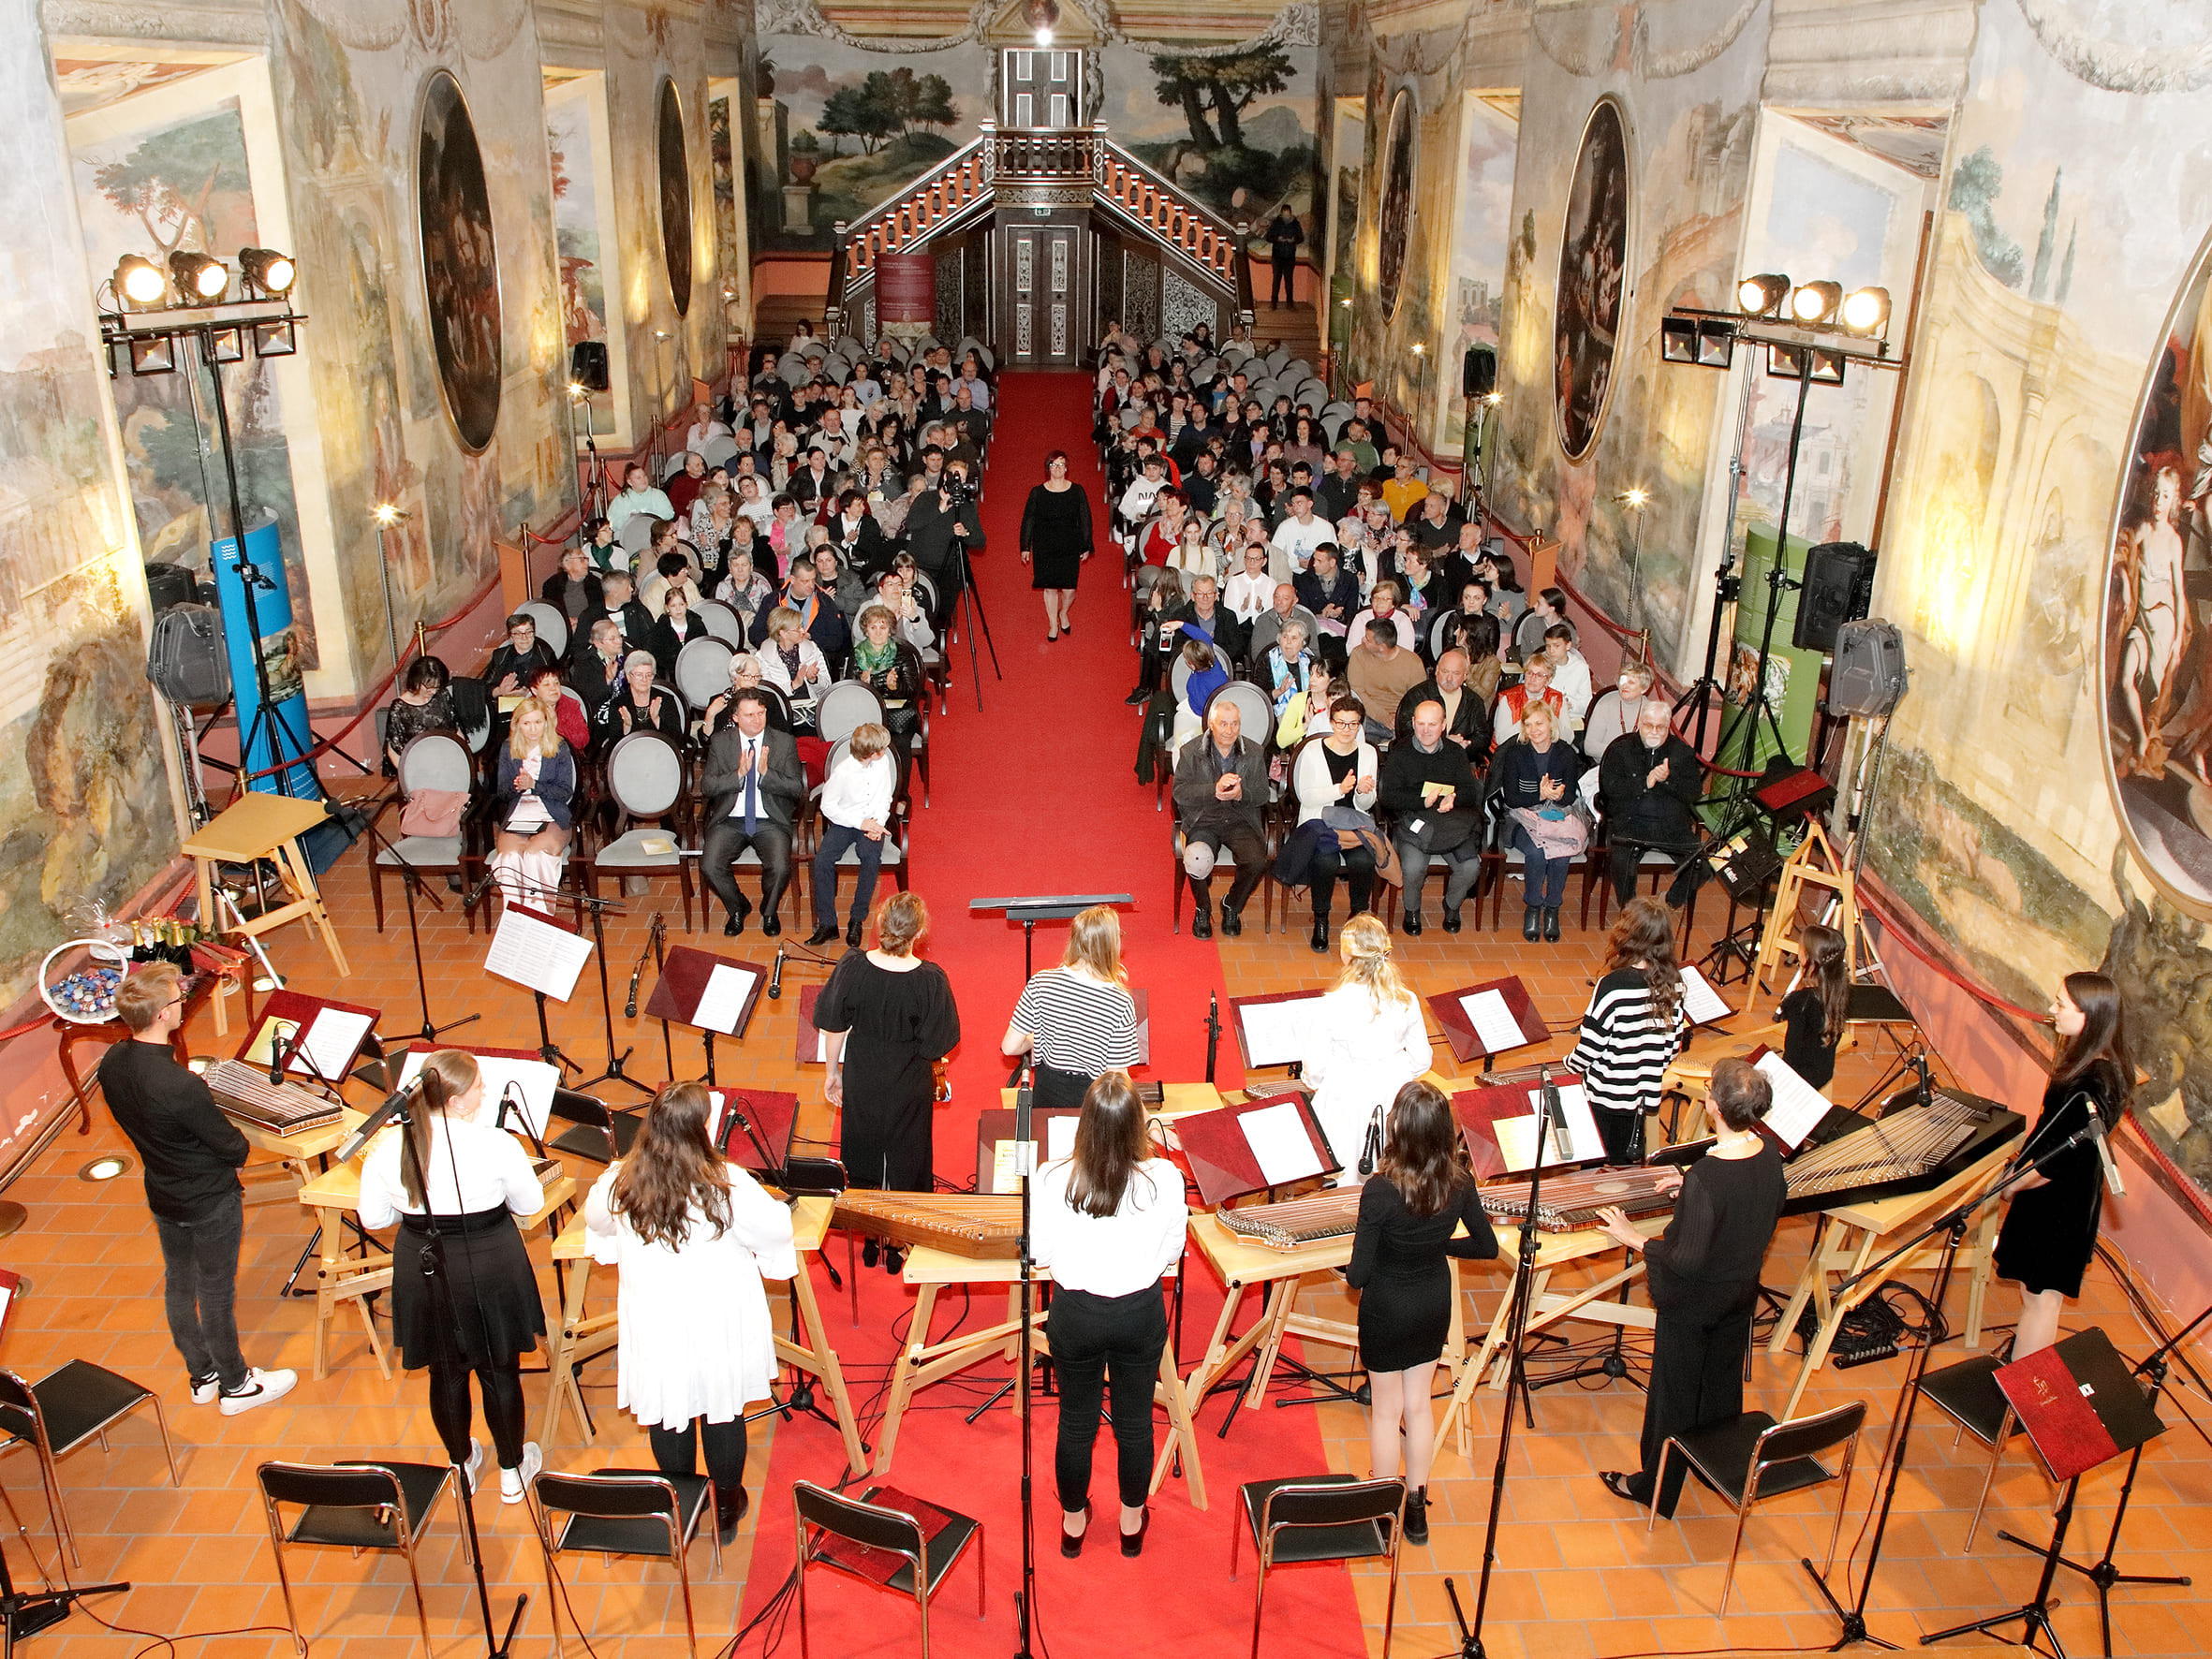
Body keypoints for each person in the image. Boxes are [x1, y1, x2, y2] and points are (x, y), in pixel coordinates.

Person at [584, 1083, 795, 1544]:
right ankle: (725, 1510)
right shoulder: (726, 1183)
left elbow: (595, 1219)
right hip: (715, 1323)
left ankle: (682, 1506)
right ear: (701, 1129)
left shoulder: (623, 1179)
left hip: (656, 1323)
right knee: (722, 1412)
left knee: (669, 1412)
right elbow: (776, 1231)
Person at [100, 963, 297, 1414]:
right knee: (215, 1292)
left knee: (178, 1282)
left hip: (163, 1190)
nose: (183, 1003)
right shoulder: (179, 1085)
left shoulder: (112, 1062)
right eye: (178, 998)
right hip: (209, 1199)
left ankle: (202, 1374)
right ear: (161, 1014)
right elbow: (233, 1148)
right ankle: (237, 1385)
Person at [1595, 1058, 1786, 1517]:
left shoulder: (1708, 1176)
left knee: (1673, 1396)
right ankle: (1714, 1467)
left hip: (1696, 1304)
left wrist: (1633, 1238)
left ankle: (1655, 1488)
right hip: (1740, 1293)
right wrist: (1690, 1190)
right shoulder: (1768, 1153)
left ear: (1714, 1107)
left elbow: (1685, 1259)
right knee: (1720, 1386)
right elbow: (1752, 1203)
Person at [358, 1049, 547, 1501]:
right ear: (457, 1101)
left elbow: (374, 1219)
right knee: (499, 1369)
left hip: (423, 1265)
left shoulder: (389, 1147)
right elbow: (531, 1205)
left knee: (445, 1371)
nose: (485, 1091)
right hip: (490, 1262)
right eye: (479, 1085)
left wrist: (415, 1212)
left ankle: (461, 1465)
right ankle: (511, 1471)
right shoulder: (496, 1145)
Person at [1036, 1071, 1188, 1560]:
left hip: (1076, 1315)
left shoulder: (1053, 1177)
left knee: (1075, 1422)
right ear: (1136, 1127)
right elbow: (1173, 1253)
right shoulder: (1166, 1179)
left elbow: (1039, 1254)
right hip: (1138, 1314)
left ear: (1085, 1124)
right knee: (1135, 1423)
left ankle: (1073, 1524)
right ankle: (1130, 1523)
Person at [1349, 1079, 1498, 1543]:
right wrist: (1439, 1246)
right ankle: (1416, 1511)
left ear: (1398, 1128)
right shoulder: (1460, 1183)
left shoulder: (1379, 1191)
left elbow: (1357, 1276)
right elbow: (1487, 1247)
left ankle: (1381, 1513)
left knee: (1385, 1411)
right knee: (1418, 1406)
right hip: (1432, 1302)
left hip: (1387, 1309)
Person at [815, 893, 961, 1265]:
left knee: (862, 1150)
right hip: (908, 1080)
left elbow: (834, 1025)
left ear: (881, 925)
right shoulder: (930, 980)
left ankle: (869, 1233)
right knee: (907, 1156)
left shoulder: (852, 966)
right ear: (919, 933)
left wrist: (832, 1074)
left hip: (863, 1074)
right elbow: (937, 1043)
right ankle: (898, 1242)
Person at [1993, 972, 2132, 1358]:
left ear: (2089, 1015)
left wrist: (2012, 1184)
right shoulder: (2096, 1061)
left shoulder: (2094, 1082)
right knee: (2035, 1292)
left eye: (2061, 1005)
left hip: (2058, 1202)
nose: (2051, 1010)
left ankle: (2026, 1381)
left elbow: (2059, 1158)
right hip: (2056, 1196)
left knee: (2042, 1298)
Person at [1302, 915, 1432, 1180]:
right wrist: (1391, 1070)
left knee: (1344, 1177)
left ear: (1347, 955)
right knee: (1392, 1176)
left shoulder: (1331, 1004)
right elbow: (1422, 1060)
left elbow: (1314, 1072)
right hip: (1394, 1098)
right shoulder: (1407, 1000)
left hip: (1345, 1098)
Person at [1567, 897, 1689, 1164]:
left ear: (1627, 936)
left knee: (1595, 1167)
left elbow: (1590, 1048)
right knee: (1623, 1164)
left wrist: (1568, 1066)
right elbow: (1672, 1046)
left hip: (1604, 1098)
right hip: (1641, 1099)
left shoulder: (1612, 986)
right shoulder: (1675, 983)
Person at [1004, 905, 1143, 1110]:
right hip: (1090, 1109)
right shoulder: (1120, 1002)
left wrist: (1035, 1039)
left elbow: (1009, 1047)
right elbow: (1117, 1079)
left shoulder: (1041, 983)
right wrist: (1147, 1120)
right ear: (1110, 945)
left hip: (1045, 1100)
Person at [700, 688, 804, 935]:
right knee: (710, 865)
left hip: (770, 819)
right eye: (749, 715)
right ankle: (738, 907)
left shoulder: (783, 742)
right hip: (730, 819)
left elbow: (796, 789)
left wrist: (766, 774)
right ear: (735, 717)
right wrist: (738, 774)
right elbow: (707, 786)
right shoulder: (721, 742)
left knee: (780, 867)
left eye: (761, 713)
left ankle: (769, 912)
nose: (757, 720)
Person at [1380, 699, 1484, 934]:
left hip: (1451, 822)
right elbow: (1388, 796)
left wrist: (1454, 798)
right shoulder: (1400, 753)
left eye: (1432, 724)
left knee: (1471, 866)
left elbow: (1472, 791)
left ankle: (1452, 905)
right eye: (1421, 724)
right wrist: (1422, 802)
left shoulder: (1455, 752)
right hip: (1414, 821)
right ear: (1413, 723)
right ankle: (1412, 910)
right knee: (1413, 867)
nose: (1426, 730)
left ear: (1443, 725)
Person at [1173, 697, 1269, 939]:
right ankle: (1203, 909)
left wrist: (1242, 794)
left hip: (1240, 819)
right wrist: (1212, 791)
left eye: (1234, 724)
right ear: (1211, 725)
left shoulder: (1254, 752)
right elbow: (1180, 793)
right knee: (1196, 858)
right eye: (1223, 724)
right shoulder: (1191, 752)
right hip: (1204, 818)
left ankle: (1231, 905)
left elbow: (1263, 794)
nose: (1229, 730)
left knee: (1257, 860)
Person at [1293, 695, 1381, 949]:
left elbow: (1366, 805)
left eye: (1353, 724)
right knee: (1325, 862)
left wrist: (1363, 792)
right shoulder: (1312, 751)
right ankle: (1321, 918)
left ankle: (1357, 920)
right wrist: (1340, 789)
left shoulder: (1368, 753)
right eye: (1341, 723)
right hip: (1319, 822)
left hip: (1353, 823)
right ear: (1331, 722)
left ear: (1360, 725)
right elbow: (1306, 797)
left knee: (1364, 861)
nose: (1347, 730)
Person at [1598, 698, 1704, 907]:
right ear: (1640, 723)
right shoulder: (1621, 750)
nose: (1654, 731)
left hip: (1671, 826)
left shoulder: (1681, 752)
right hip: (1631, 824)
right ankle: (1631, 912)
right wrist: (1645, 782)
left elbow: (1693, 793)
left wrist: (1668, 780)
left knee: (1701, 865)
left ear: (1668, 727)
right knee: (1621, 865)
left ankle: (1668, 904)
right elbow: (1611, 790)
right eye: (1649, 725)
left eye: (1660, 727)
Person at [1493, 700, 1580, 941]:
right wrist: (1540, 795)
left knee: (1561, 852)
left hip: (1556, 816)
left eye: (1539, 723)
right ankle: (1532, 907)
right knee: (1537, 852)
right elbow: (1511, 798)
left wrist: (1558, 796)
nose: (1534, 730)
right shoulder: (1515, 754)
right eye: (1528, 724)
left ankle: (1552, 908)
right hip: (1522, 818)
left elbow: (1571, 796)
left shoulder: (1566, 753)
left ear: (1551, 723)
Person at [808, 723, 899, 947]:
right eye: (882, 749)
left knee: (870, 857)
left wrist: (877, 824)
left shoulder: (883, 762)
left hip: (872, 821)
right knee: (823, 860)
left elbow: (885, 797)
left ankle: (857, 919)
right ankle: (827, 923)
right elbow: (827, 807)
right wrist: (859, 823)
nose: (885, 751)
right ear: (871, 753)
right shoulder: (843, 773)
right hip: (846, 821)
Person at [489, 700, 576, 909]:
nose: (533, 729)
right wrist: (517, 786)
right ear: (517, 725)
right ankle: (516, 916)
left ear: (546, 722)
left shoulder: (559, 747)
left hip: (551, 814)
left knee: (535, 856)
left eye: (538, 722)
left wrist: (534, 786)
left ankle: (540, 917)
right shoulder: (509, 748)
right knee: (509, 859)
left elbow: (565, 792)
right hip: (519, 814)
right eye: (526, 723)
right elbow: (502, 793)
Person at [1021, 449, 1093, 640]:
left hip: (1070, 544)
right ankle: (1053, 623)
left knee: (1070, 589)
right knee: (1050, 587)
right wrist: (1025, 546)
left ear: (1066, 468)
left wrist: (1086, 545)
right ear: (1048, 468)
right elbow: (1028, 520)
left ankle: (1063, 612)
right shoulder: (1037, 492)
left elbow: (1085, 518)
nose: (1058, 468)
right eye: (1054, 464)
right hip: (1045, 545)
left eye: (1061, 464)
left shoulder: (1077, 491)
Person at [1777, 923, 1851, 1091]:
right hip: (1823, 1072)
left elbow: (1792, 1054)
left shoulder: (1801, 1002)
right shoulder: (1839, 990)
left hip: (1799, 1078)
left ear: (1806, 957)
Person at [1346, 608, 1426, 741]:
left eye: (1367, 639)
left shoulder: (1413, 662)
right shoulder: (1358, 654)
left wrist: (1398, 718)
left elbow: (1417, 699)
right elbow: (1357, 693)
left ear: (1382, 647)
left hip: (1401, 721)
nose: (1363, 640)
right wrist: (1383, 717)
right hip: (1368, 718)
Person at [383, 656, 454, 775]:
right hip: (418, 769)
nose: (433, 692)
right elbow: (393, 750)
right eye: (429, 687)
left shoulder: (442, 696)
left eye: (437, 687)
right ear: (416, 681)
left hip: (447, 762)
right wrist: (410, 776)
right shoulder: (400, 708)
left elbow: (455, 730)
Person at [601, 649, 685, 745]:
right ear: (628, 677)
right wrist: (627, 727)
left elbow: (678, 740)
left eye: (649, 675)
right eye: (639, 675)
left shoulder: (666, 699)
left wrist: (657, 720)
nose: (644, 679)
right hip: (631, 753)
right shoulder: (618, 704)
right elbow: (614, 746)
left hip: (660, 752)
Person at [1582, 660, 1656, 763]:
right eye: (1623, 680)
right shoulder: (1605, 704)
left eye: (1631, 682)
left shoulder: (1652, 711)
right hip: (1607, 763)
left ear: (1644, 689)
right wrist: (1621, 753)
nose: (1625, 685)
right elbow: (1589, 747)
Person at [485, 613, 557, 698]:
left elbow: (557, 688)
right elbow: (484, 689)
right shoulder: (500, 656)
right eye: (518, 633)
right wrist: (500, 691)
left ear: (534, 633)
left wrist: (529, 694)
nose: (524, 638)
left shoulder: (546, 655)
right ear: (511, 637)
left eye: (528, 632)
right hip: (505, 704)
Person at [645, 584, 707, 682]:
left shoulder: (697, 624)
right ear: (667, 608)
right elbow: (655, 655)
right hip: (670, 676)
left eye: (681, 604)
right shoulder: (660, 628)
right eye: (673, 606)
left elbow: (705, 649)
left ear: (686, 604)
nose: (678, 609)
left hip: (697, 671)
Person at [608, 462, 675, 536]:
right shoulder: (621, 500)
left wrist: (650, 516)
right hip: (630, 534)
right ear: (630, 482)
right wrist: (630, 520)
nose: (643, 479)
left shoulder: (658, 494)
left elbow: (669, 514)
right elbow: (614, 523)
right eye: (638, 478)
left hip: (655, 533)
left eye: (644, 476)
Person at [1264, 203, 1303, 308]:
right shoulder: (1276, 223)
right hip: (1277, 256)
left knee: (1289, 280)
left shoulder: (1295, 224)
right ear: (1281, 214)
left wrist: (1293, 240)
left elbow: (1301, 238)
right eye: (1285, 215)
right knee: (1276, 280)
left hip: (1290, 256)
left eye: (1288, 215)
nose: (1286, 217)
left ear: (1291, 214)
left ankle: (1289, 303)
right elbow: (1268, 237)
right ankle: (1273, 302)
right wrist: (1277, 239)